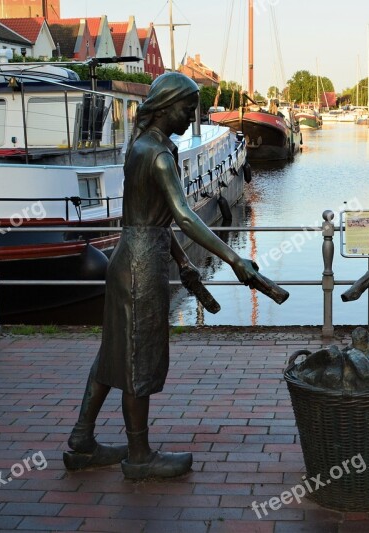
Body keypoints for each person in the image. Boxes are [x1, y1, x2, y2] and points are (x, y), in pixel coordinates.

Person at [63, 73, 262, 479]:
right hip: (142, 266)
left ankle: (82, 440)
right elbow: (185, 216)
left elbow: (151, 220)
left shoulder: (143, 147)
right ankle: (139, 456)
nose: (191, 117)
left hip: (129, 257)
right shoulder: (158, 155)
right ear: (166, 106)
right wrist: (234, 259)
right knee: (139, 358)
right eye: (187, 109)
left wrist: (186, 264)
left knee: (114, 352)